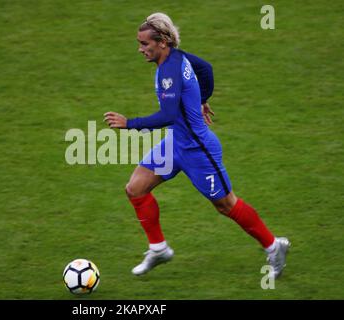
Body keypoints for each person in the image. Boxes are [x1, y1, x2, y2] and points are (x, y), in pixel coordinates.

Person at [104, 13, 290, 278]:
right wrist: (200, 100)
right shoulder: (177, 56)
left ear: (163, 41)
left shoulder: (169, 71)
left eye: (145, 44)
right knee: (135, 189)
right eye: (139, 43)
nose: (140, 49)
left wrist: (129, 123)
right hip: (175, 143)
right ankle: (158, 249)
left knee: (226, 205)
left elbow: (167, 116)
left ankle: (274, 246)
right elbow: (206, 69)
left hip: (197, 149)